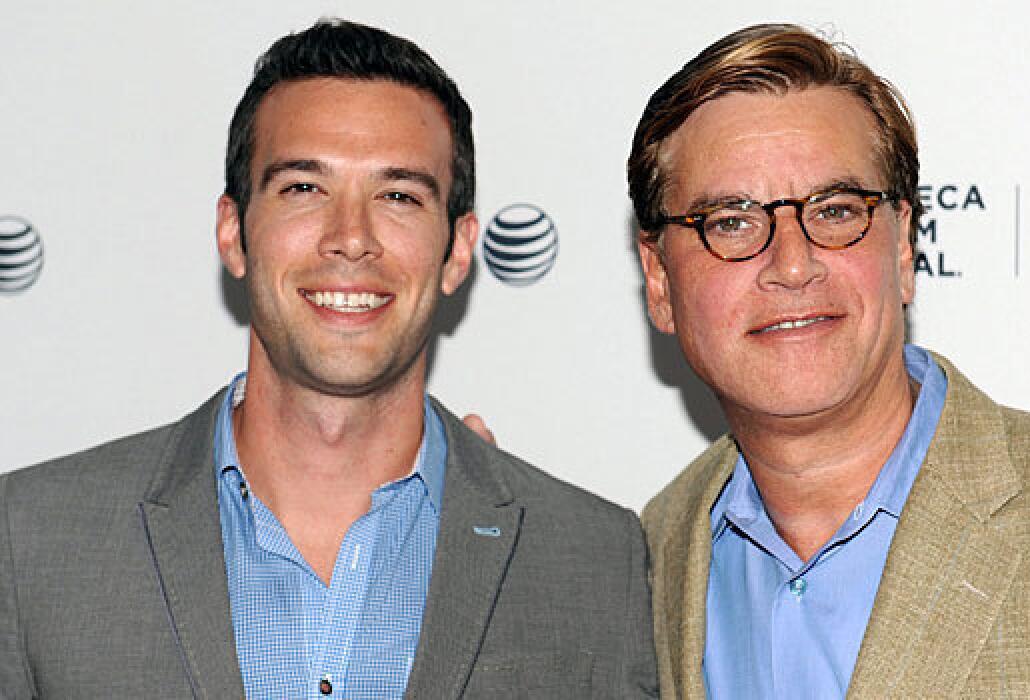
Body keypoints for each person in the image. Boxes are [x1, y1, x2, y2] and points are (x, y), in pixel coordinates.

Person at [0, 19, 656, 698]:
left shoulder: (592, 560)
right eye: (303, 189)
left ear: (458, 251)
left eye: (398, 195)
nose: (351, 238)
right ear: (233, 232)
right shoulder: (31, 541)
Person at [630, 23, 1030, 699]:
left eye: (836, 211)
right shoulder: (653, 553)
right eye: (730, 221)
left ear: (903, 248)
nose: (791, 263)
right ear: (660, 282)